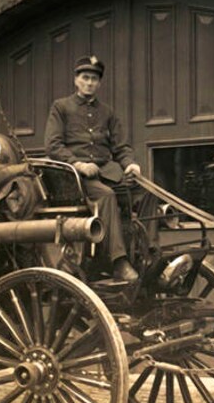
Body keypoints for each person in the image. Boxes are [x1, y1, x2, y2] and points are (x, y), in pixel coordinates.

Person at [44, 54, 142, 282]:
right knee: (106, 196)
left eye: (94, 79)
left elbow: (121, 146)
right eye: (85, 77)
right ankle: (119, 262)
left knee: (143, 192)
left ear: (99, 83)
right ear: (76, 80)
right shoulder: (61, 107)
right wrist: (77, 164)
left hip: (106, 172)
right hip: (74, 178)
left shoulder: (107, 112)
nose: (90, 83)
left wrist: (130, 164)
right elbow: (53, 146)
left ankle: (148, 254)